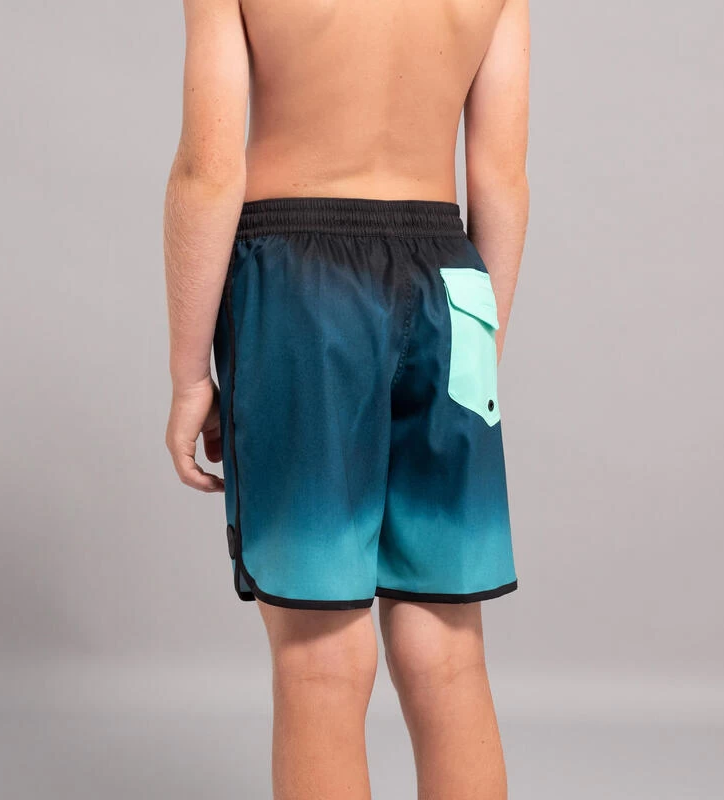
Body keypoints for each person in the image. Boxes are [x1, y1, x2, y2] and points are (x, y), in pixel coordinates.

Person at [163, 0, 529, 796]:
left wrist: (190, 375)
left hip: (302, 283)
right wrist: (479, 348)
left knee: (320, 658)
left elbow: (208, 171)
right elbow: (500, 177)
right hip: (451, 281)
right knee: (448, 648)